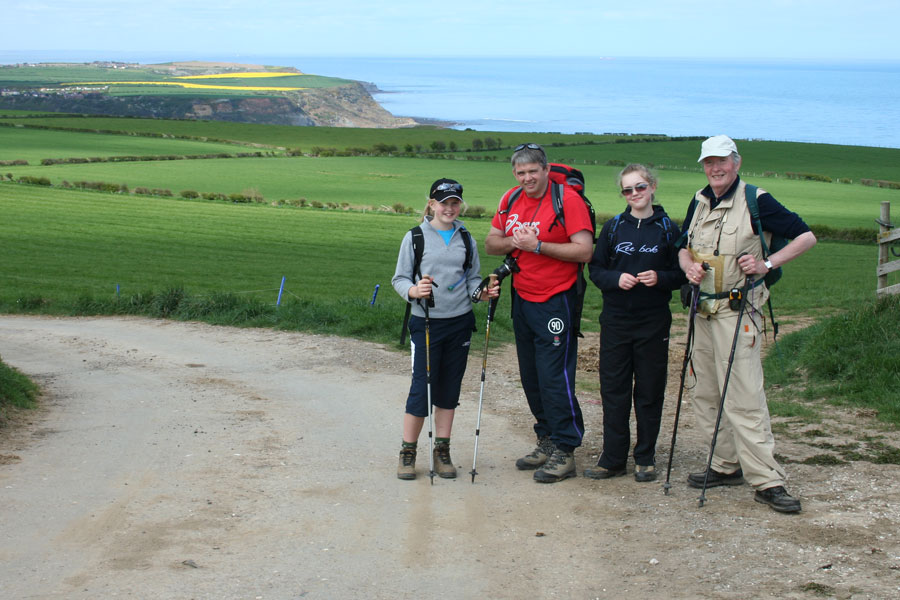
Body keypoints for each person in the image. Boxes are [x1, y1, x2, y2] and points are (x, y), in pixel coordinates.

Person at [678, 135, 816, 513]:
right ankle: (724, 464)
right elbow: (682, 245)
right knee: (704, 390)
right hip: (701, 310)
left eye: (722, 161)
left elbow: (806, 236)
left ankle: (768, 480)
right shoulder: (700, 199)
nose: (715, 168)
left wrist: (767, 265)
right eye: (709, 162)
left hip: (739, 311)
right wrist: (687, 266)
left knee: (744, 394)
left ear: (736, 162)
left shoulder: (758, 199)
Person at [485, 143, 594, 483]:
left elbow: (584, 251)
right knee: (531, 374)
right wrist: (515, 243)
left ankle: (565, 448)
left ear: (546, 170)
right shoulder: (511, 200)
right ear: (514, 174)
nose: (528, 178)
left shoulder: (567, 201)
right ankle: (546, 440)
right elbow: (491, 242)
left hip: (556, 298)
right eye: (521, 172)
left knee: (553, 375)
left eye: (534, 171)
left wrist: (539, 246)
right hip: (522, 294)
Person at [392, 178, 498, 481]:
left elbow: (472, 279)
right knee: (422, 388)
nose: (449, 208)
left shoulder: (466, 238)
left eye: (454, 203)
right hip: (426, 322)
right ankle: (408, 452)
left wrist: (482, 293)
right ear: (431, 204)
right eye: (443, 202)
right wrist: (414, 291)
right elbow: (399, 278)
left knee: (449, 389)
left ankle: (442, 450)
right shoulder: (415, 238)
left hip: (460, 322)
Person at [585, 164, 686, 482]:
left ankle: (645, 457)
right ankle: (613, 458)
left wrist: (660, 278)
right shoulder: (614, 228)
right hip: (615, 319)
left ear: (653, 186)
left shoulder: (670, 229)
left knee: (649, 389)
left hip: (653, 320)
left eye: (640, 187)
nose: (634, 195)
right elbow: (596, 270)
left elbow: (682, 274)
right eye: (627, 190)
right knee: (613, 389)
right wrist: (616, 279)